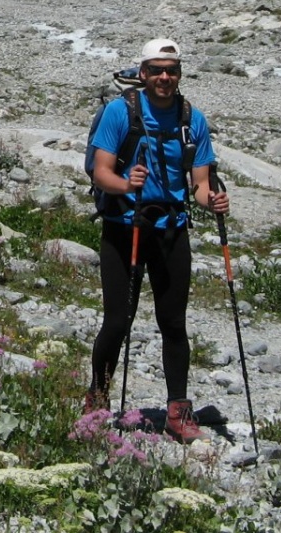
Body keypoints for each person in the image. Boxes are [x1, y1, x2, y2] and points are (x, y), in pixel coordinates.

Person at [85, 37, 229, 443]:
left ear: (179, 74)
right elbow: (101, 173)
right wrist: (125, 183)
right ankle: (97, 400)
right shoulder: (120, 112)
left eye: (172, 70)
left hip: (171, 229)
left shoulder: (191, 120)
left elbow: (199, 184)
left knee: (173, 324)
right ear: (143, 73)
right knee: (117, 321)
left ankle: (178, 411)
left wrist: (212, 201)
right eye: (156, 70)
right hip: (124, 226)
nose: (164, 77)